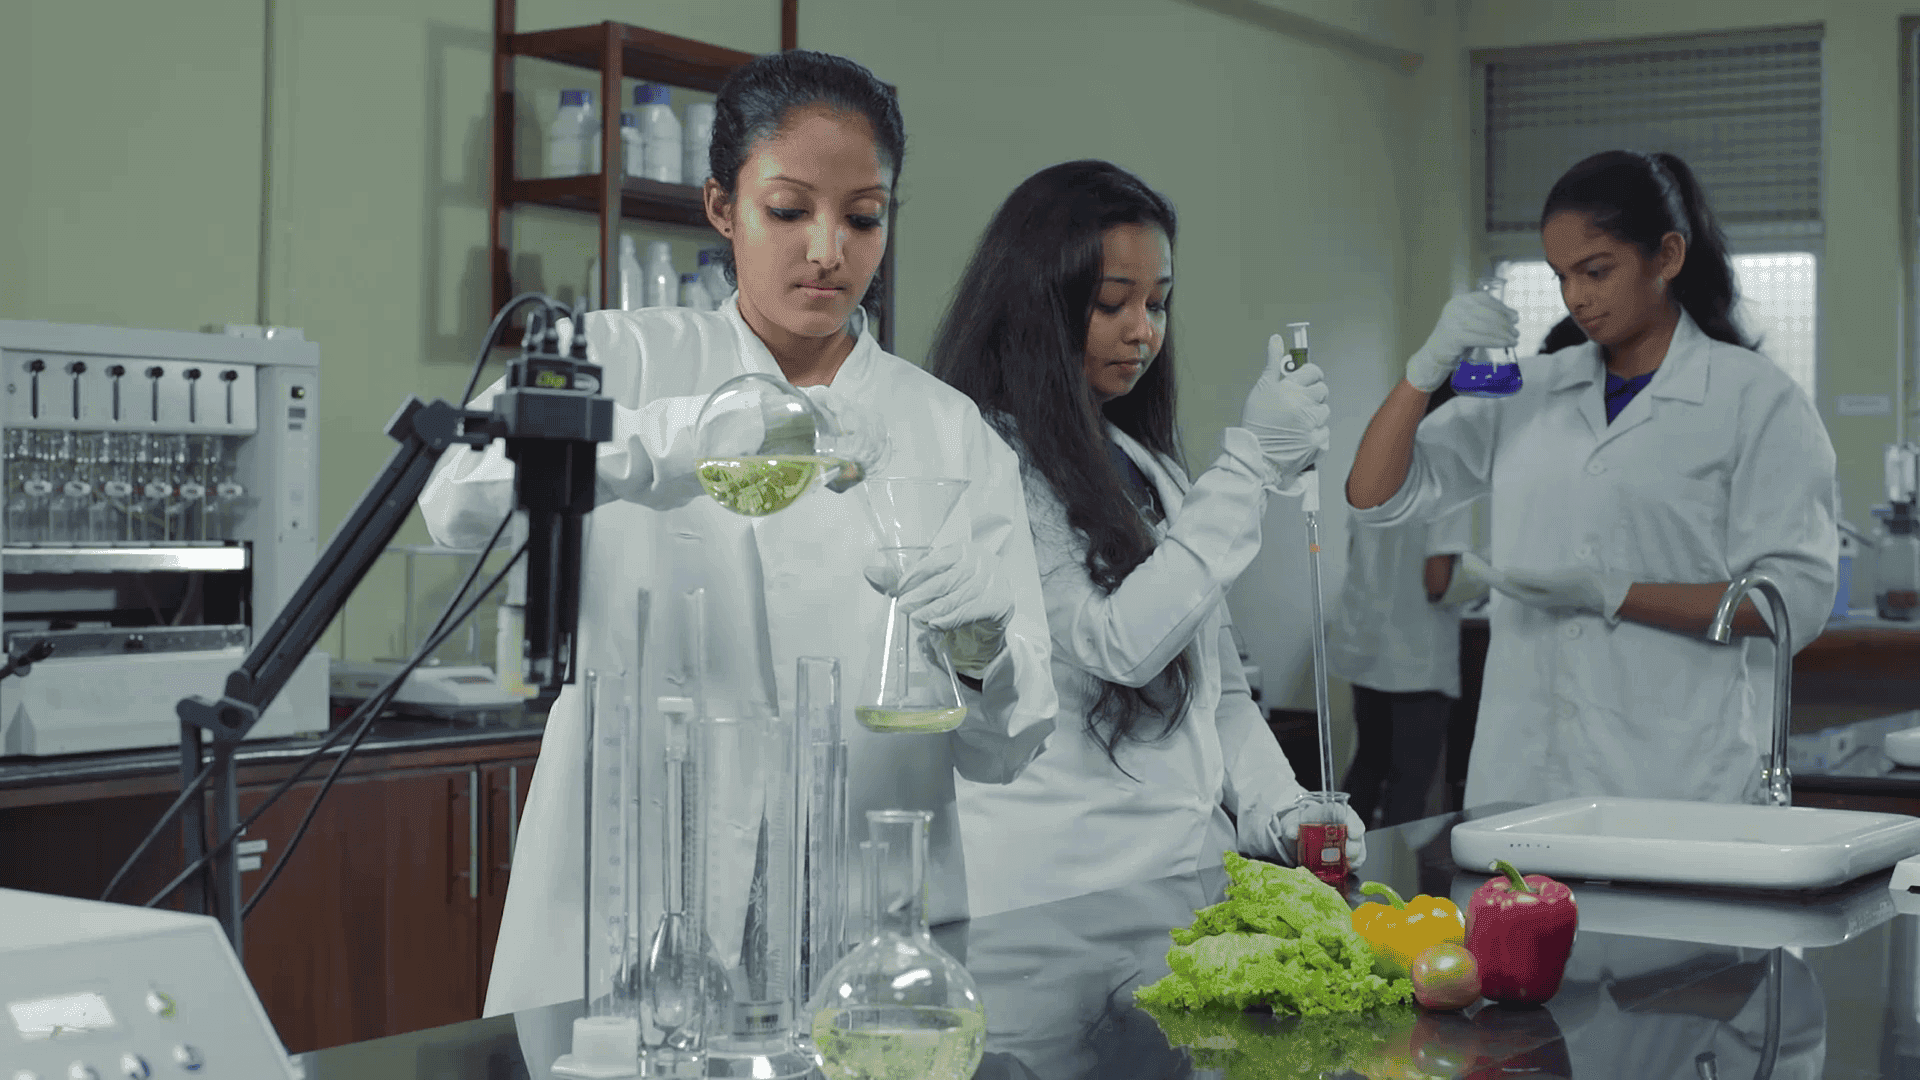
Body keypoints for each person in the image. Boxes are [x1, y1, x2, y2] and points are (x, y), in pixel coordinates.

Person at [421, 50, 1060, 1017]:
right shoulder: (619, 356)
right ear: (723, 208)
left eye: (863, 217)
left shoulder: (949, 431)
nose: (827, 251)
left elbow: (1008, 744)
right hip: (640, 885)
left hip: (860, 901)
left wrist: (982, 653)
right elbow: (452, 499)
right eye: (789, 209)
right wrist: (676, 439)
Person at [928, 159, 1364, 919]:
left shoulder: (1147, 466)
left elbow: (1220, 693)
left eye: (1158, 303)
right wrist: (1251, 463)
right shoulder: (987, 461)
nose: (1144, 331)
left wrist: (1283, 809)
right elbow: (1118, 643)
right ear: (1038, 306)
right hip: (1056, 896)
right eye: (1111, 303)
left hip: (1178, 883)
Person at [1346, 149, 1838, 808]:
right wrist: (1423, 369)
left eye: (1596, 271)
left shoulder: (1757, 400)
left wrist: (1613, 592)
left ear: (1666, 256)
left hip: (1674, 776)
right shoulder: (1532, 387)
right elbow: (1373, 494)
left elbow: (1793, 602)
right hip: (1525, 772)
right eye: (1560, 276)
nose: (1576, 297)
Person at [1329, 382, 1477, 828]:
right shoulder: (1449, 471)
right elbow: (1437, 580)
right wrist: (1487, 577)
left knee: (1369, 763)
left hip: (1366, 644)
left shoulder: (1379, 460)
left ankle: (1340, 876)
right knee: (1410, 783)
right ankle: (1395, 889)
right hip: (1416, 655)